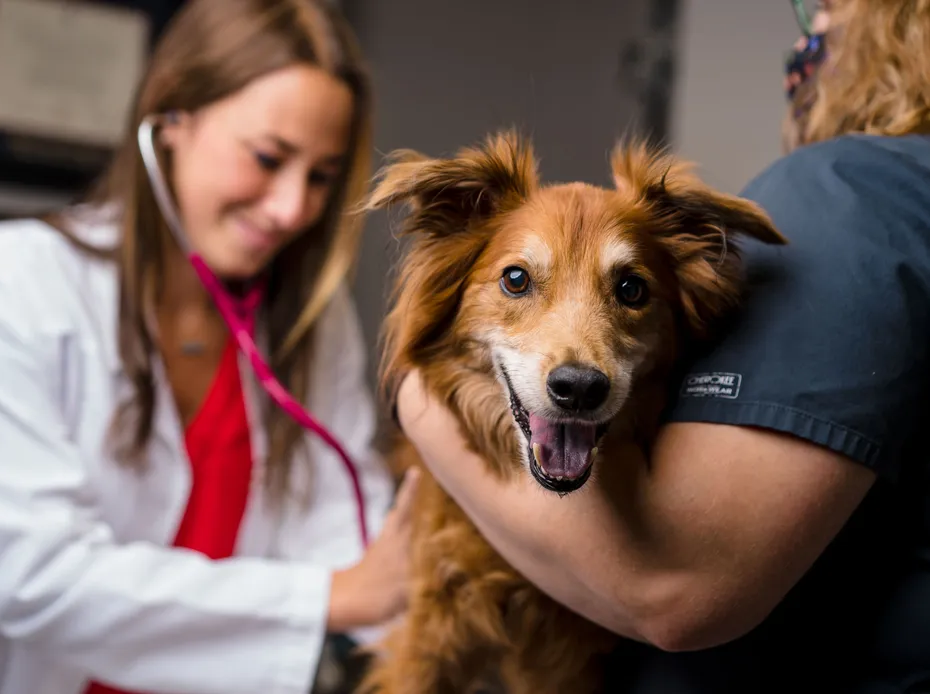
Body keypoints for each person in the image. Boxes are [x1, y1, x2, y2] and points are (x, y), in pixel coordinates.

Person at [392, 0, 930, 691]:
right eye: (520, 280)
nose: (809, 31)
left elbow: (676, 590)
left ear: (892, 28)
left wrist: (413, 401)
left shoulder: (845, 190)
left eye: (823, 8)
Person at [0, 1, 419, 693]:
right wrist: (333, 597)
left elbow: (351, 546)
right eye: (268, 157)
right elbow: (40, 582)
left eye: (320, 176)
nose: (292, 208)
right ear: (172, 119)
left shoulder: (310, 329)